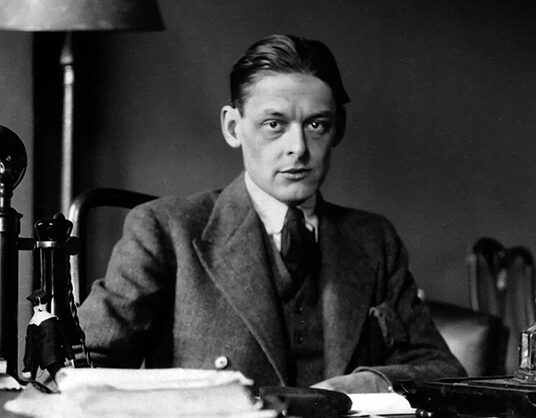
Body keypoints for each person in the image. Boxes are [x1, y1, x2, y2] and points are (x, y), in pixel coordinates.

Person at [78, 34, 466, 393]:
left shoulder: (373, 240)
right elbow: (81, 369)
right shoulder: (168, 230)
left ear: (338, 129)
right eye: (274, 124)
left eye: (316, 125)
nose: (298, 148)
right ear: (233, 127)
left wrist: (365, 383)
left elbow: (441, 368)